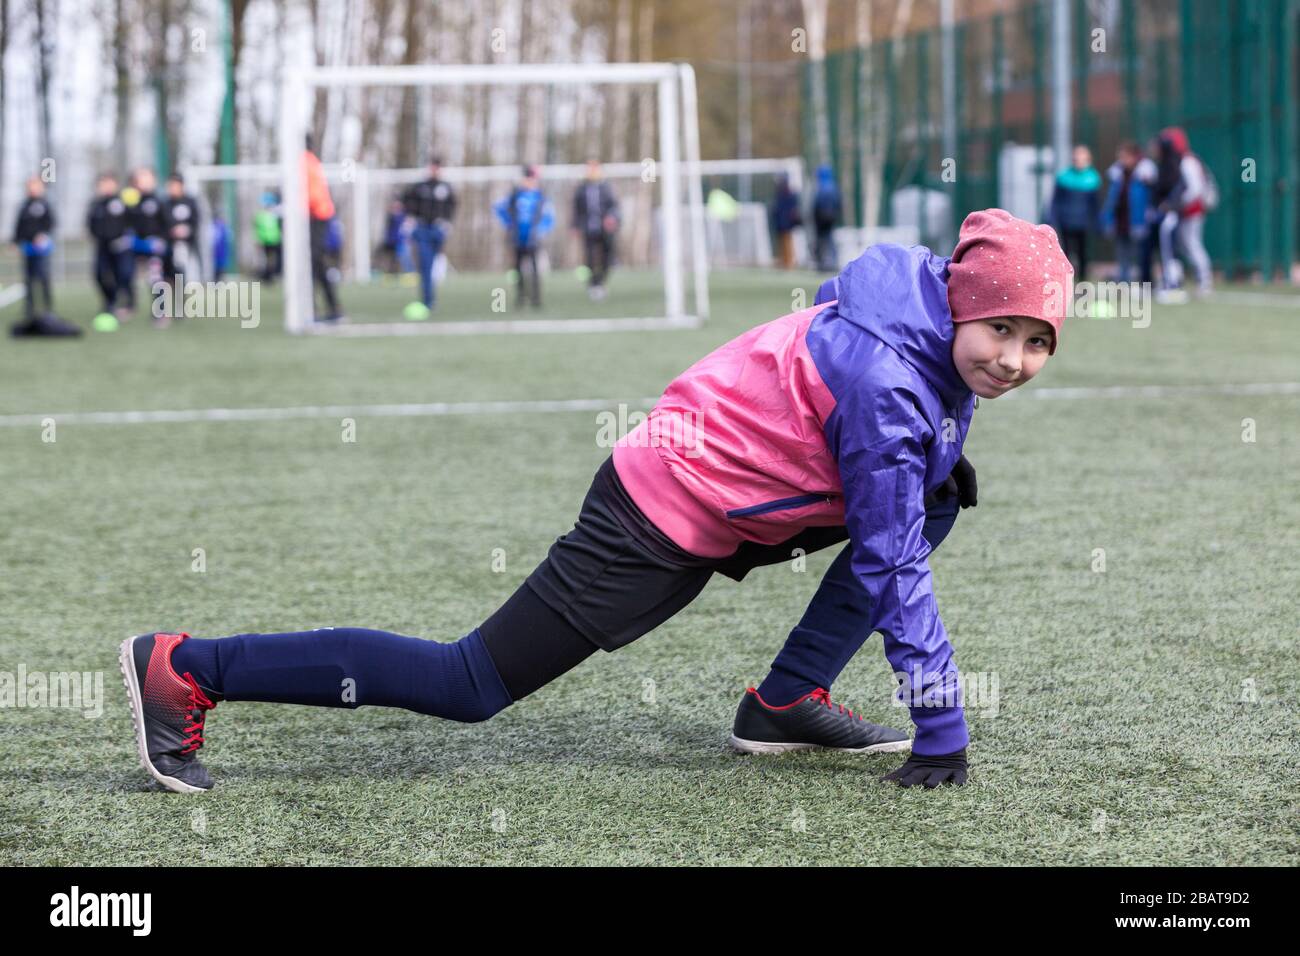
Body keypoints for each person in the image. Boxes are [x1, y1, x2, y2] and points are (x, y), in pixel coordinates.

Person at [119, 208, 1073, 794]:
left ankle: (784, 702)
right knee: (470, 684)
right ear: (957, 303)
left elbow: (888, 493)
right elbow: (890, 558)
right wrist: (941, 717)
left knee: (933, 492)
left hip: (723, 484)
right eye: (1000, 329)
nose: (1014, 360)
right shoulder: (891, 386)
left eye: (1038, 343)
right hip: (658, 510)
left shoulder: (909, 305)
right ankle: (188, 666)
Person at [1157, 126, 1214, 300]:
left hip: (1192, 210)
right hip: (1185, 210)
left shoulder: (1188, 161)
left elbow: (1195, 189)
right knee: (1185, 245)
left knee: (1192, 244)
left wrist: (1178, 203)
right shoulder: (1181, 160)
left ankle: (1204, 280)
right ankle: (1196, 279)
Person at [401, 155, 457, 311]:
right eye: (432, 166)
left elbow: (452, 206)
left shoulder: (446, 187)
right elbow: (406, 202)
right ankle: (428, 300)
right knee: (425, 264)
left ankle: (431, 296)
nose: (434, 170)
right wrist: (411, 219)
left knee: (435, 264)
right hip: (422, 230)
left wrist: (446, 222)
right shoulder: (419, 187)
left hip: (438, 231)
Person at [494, 164, 553, 309]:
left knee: (535, 269)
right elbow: (498, 208)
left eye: (532, 179)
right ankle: (520, 297)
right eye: (528, 178)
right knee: (518, 269)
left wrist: (541, 230)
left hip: (533, 240)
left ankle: (536, 298)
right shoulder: (515, 196)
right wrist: (509, 224)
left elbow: (549, 217)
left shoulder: (541, 197)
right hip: (518, 239)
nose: (530, 181)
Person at [303, 135, 343, 322]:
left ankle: (326, 308)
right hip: (317, 217)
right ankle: (324, 307)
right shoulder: (310, 162)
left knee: (314, 262)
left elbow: (314, 197)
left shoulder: (306, 163)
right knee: (314, 264)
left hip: (316, 218)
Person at [1100, 142, 1152, 284]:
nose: (1122, 160)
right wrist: (1108, 218)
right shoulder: (1117, 175)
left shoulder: (1144, 176)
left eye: (1125, 156)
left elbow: (1146, 200)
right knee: (1121, 252)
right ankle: (1124, 280)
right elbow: (1111, 199)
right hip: (1120, 220)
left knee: (1138, 253)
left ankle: (1140, 282)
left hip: (1137, 220)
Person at [1048, 145, 1101, 281]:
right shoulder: (1064, 177)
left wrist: (1095, 222)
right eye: (1076, 158)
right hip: (1066, 221)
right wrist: (1053, 218)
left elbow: (1095, 205)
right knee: (1065, 253)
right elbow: (1055, 201)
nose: (1078, 160)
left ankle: (1082, 280)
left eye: (1081, 158)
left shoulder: (1092, 179)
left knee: (1083, 253)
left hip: (1083, 223)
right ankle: (1064, 280)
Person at [86, 173, 135, 319]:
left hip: (121, 246)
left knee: (124, 274)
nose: (106, 186)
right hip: (103, 246)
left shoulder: (123, 200)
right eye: (103, 183)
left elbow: (132, 221)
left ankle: (128, 303)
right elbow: (90, 224)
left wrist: (127, 237)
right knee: (100, 275)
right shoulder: (96, 204)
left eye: (109, 183)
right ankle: (109, 301)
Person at [570, 159, 619, 300]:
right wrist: (575, 226)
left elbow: (614, 206)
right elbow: (576, 209)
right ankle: (593, 284)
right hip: (589, 228)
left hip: (605, 229)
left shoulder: (606, 188)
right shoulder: (581, 189)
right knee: (590, 258)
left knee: (607, 258)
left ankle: (601, 281)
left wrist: (611, 218)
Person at [123, 167, 168, 314]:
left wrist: (160, 240)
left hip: (153, 246)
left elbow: (166, 224)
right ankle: (129, 306)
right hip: (135, 244)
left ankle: (159, 312)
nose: (144, 182)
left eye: (147, 178)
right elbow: (125, 222)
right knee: (126, 273)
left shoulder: (159, 201)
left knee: (155, 278)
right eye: (141, 179)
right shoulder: (131, 200)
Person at [11, 176, 56, 322]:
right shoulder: (24, 205)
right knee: (28, 279)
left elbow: (51, 223)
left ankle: (48, 308)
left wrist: (42, 235)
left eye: (36, 185)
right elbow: (19, 226)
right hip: (28, 247)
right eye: (31, 185)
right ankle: (29, 309)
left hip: (41, 248)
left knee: (44, 277)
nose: (33, 188)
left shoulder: (44, 204)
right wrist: (15, 241)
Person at [810, 165, 841, 271]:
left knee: (821, 240)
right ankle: (833, 261)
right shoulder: (833, 186)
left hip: (821, 218)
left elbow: (816, 204)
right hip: (832, 217)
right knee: (830, 239)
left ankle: (822, 262)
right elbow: (838, 202)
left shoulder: (821, 187)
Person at [770, 172, 802, 269]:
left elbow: (791, 209)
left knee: (787, 241)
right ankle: (784, 260)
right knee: (782, 242)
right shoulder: (779, 193)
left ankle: (790, 261)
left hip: (786, 222)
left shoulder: (789, 194)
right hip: (780, 221)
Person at [253, 189, 283, 283]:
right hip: (268, 240)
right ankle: (268, 276)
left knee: (275, 259)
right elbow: (258, 229)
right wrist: (258, 239)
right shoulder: (262, 215)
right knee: (269, 259)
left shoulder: (275, 214)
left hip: (275, 240)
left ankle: (273, 274)